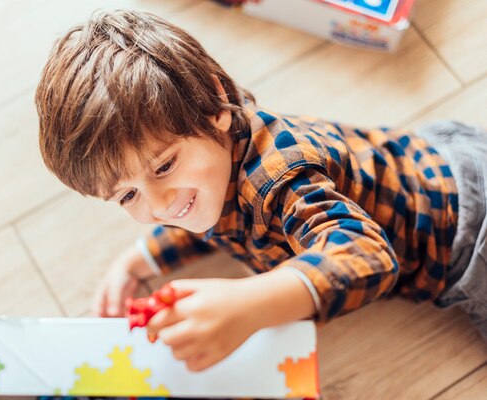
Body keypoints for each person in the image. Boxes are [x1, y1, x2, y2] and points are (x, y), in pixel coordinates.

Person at [34, 10, 487, 372]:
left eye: (164, 166)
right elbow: (197, 215)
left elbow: (369, 256)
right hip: (433, 158)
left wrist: (249, 304)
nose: (159, 204)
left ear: (213, 106)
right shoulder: (213, 162)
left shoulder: (280, 178)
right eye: (127, 197)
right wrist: (141, 259)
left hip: (466, 234)